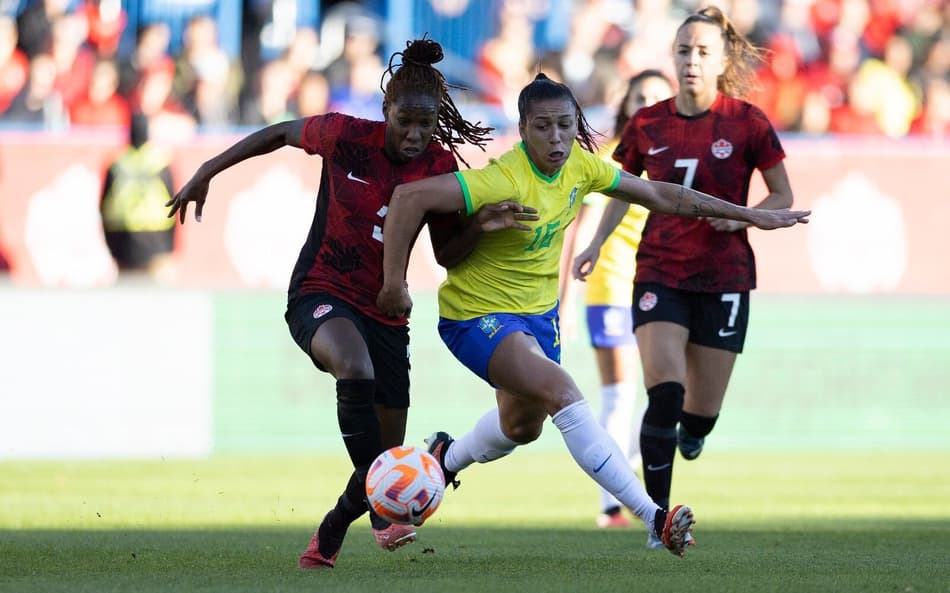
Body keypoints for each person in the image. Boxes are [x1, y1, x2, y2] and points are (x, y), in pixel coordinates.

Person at [376, 72, 809, 558]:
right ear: (523, 129)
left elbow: (660, 195)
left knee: (521, 427)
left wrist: (750, 214)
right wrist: (394, 283)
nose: (557, 138)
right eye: (543, 127)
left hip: (538, 317)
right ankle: (655, 517)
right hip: (476, 315)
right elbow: (409, 198)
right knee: (563, 392)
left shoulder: (581, 166)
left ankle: (445, 458)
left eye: (565, 125)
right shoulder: (503, 177)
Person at [166, 38, 532, 569]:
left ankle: (331, 531)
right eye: (405, 121)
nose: (415, 134)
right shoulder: (345, 135)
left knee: (384, 455)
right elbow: (279, 133)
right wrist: (209, 169)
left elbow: (447, 254)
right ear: (386, 110)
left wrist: (480, 225)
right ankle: (385, 515)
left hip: (387, 312)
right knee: (355, 370)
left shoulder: (438, 164)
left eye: (426, 123)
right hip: (321, 290)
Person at [573, 6, 796, 549]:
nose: (691, 60)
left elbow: (782, 195)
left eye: (702, 52)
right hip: (659, 273)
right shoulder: (648, 124)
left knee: (698, 418)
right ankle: (659, 521)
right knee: (664, 394)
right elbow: (623, 189)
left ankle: (695, 433)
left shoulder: (748, 122)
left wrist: (742, 216)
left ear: (721, 60)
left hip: (725, 277)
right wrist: (597, 243)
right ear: (672, 57)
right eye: (683, 51)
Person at [559, 70, 674, 529]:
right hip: (611, 286)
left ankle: (619, 469)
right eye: (640, 96)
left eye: (658, 98)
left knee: (668, 392)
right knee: (620, 395)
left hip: (659, 286)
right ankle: (610, 504)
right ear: (626, 104)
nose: (648, 105)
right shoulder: (611, 158)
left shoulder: (675, 161)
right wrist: (567, 301)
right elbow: (582, 232)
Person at [100, 112, 175, 274]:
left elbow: (103, 203)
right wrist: (172, 244)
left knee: (126, 285)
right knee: (157, 285)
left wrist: (109, 241)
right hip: (156, 234)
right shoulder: (161, 161)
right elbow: (175, 201)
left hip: (122, 234)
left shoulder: (117, 162)